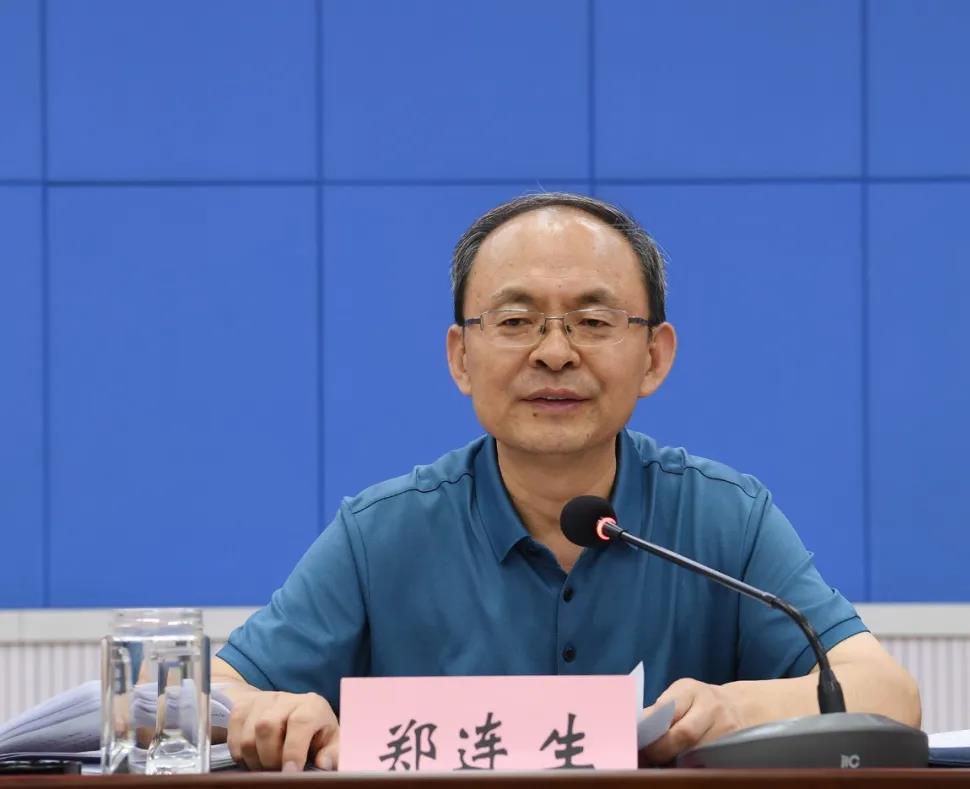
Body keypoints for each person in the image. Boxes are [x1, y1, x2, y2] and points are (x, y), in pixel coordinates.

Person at [212, 192, 921, 771]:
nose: (555, 352)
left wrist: (738, 707)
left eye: (592, 320)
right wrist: (264, 711)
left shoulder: (724, 518)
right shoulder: (382, 534)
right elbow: (194, 698)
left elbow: (887, 694)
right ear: (461, 358)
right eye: (517, 320)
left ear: (654, 356)